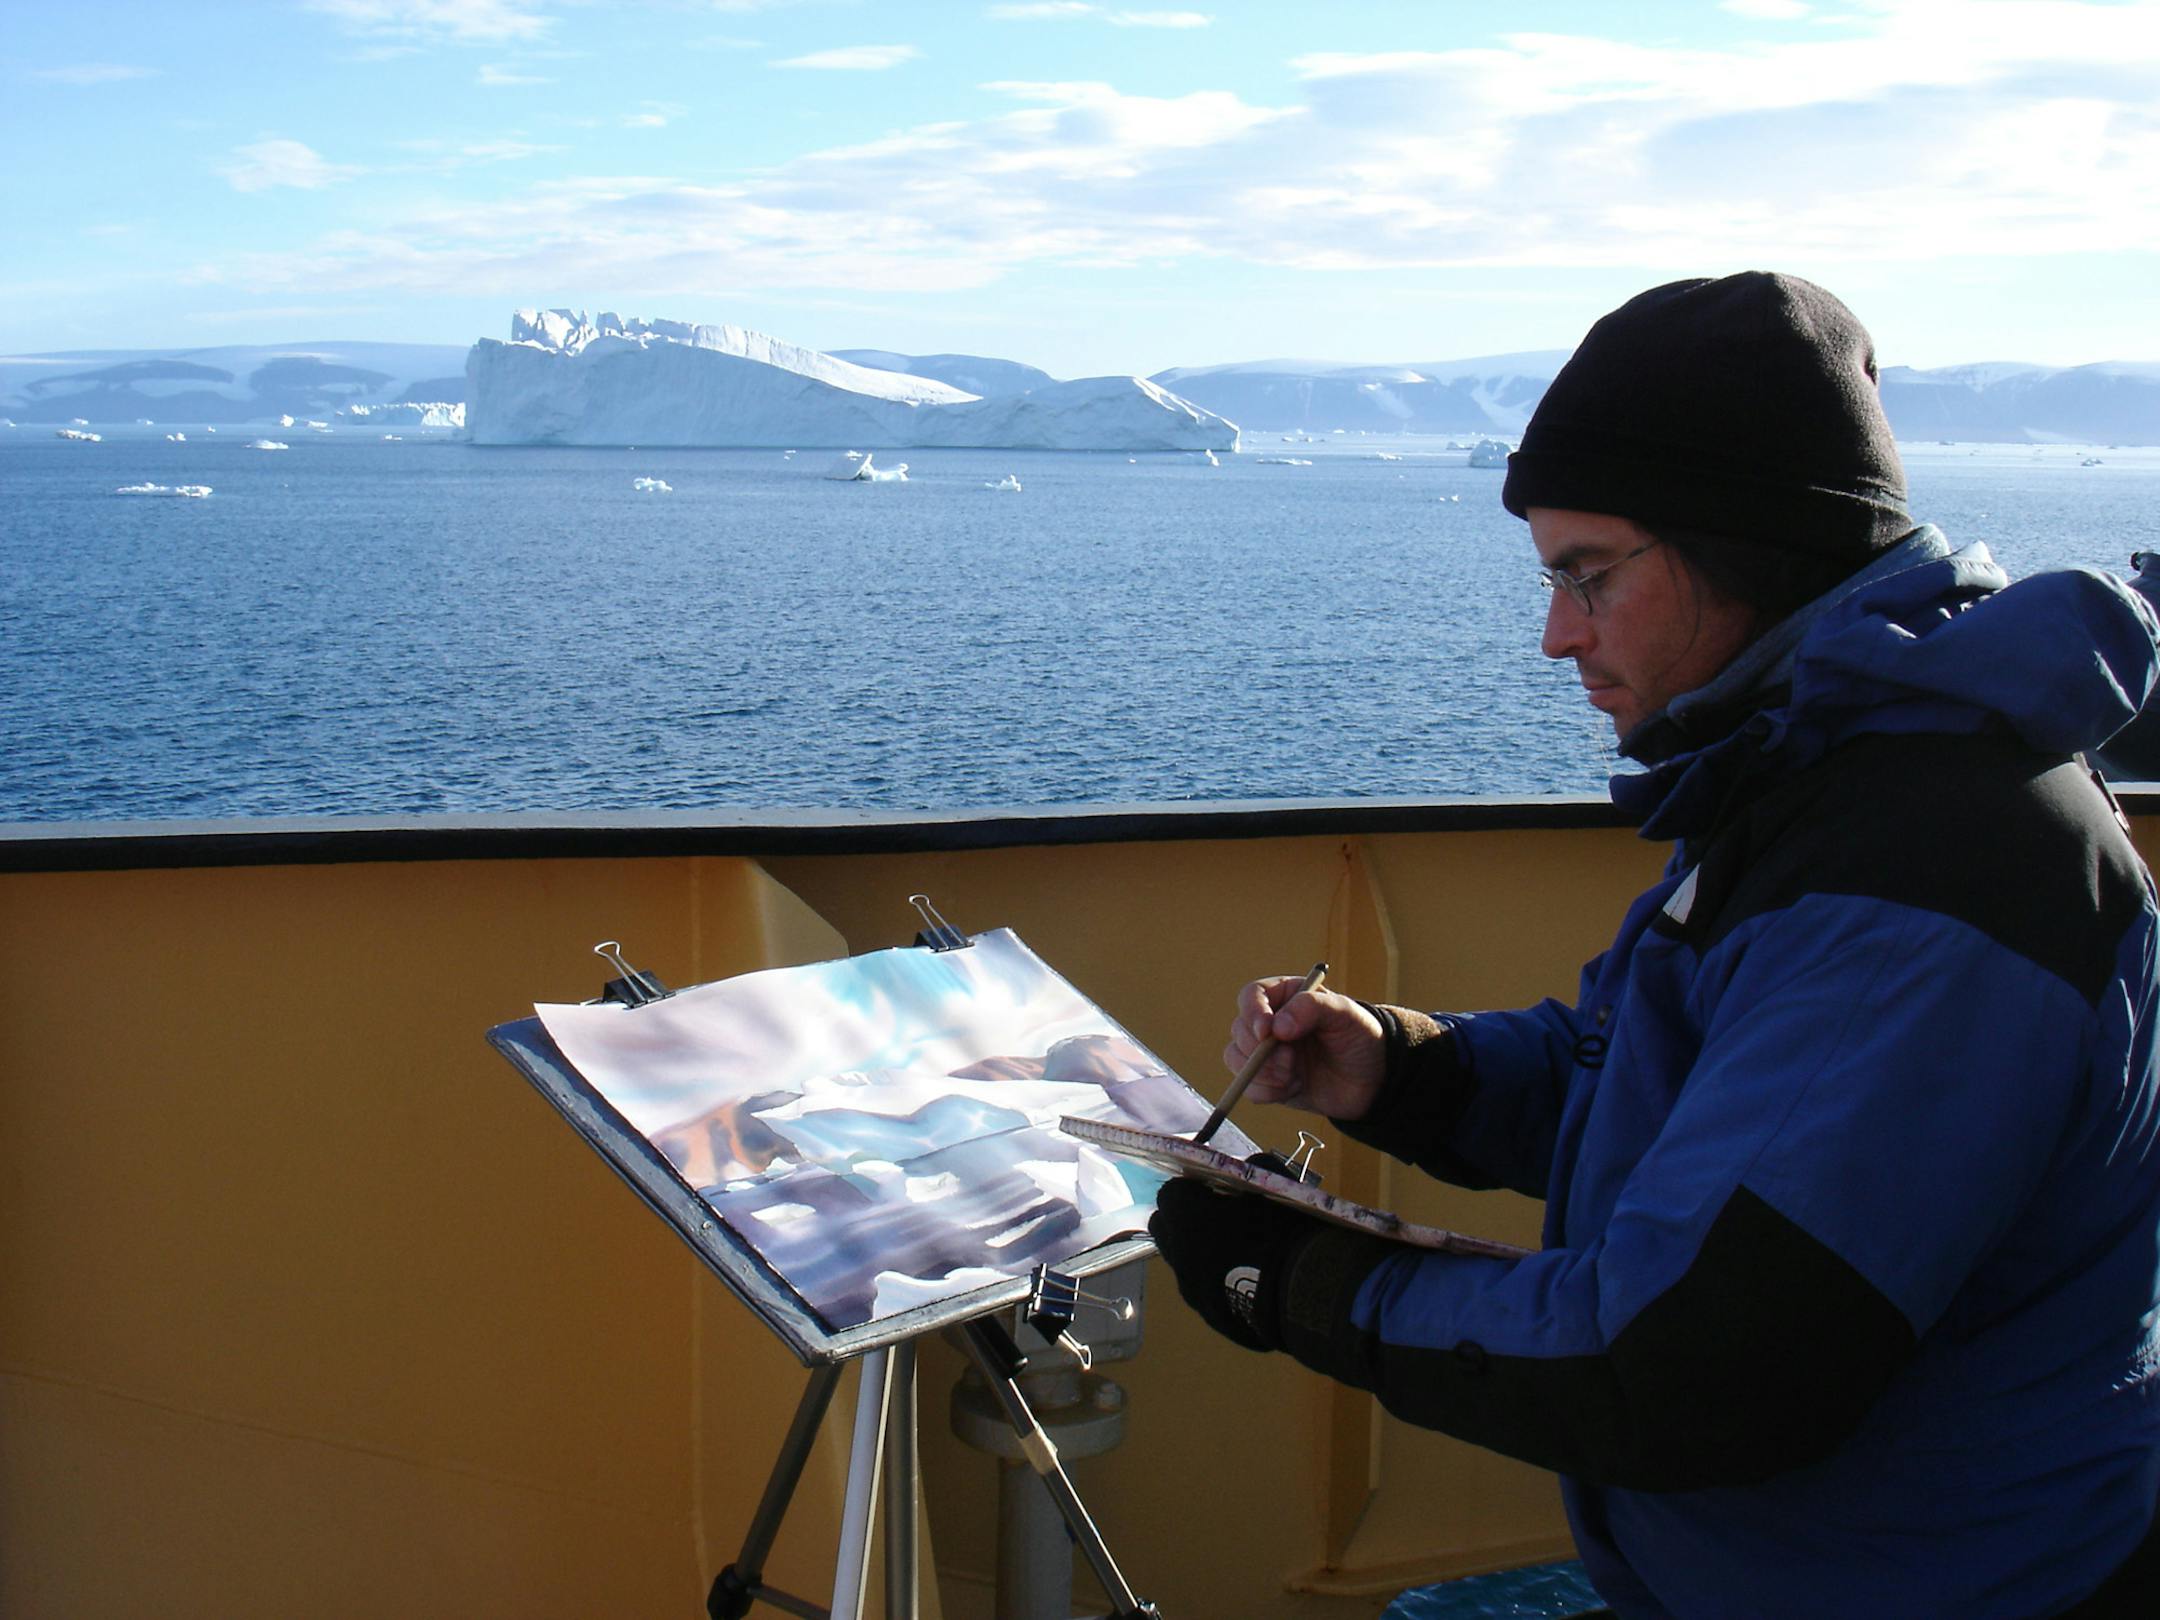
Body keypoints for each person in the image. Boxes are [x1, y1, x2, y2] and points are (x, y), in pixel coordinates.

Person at [1149, 272, 2160, 1619]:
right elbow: (1671, 1095)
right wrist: (1405, 1070)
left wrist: (1299, 1286)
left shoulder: (1929, 869)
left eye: (1590, 577)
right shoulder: (1822, 773)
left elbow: (1691, 1371)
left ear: (1748, 547)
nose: (1555, 635)